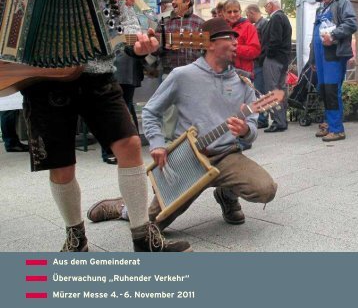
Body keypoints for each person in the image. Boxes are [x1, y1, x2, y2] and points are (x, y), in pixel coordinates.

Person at [21, 0, 191, 253]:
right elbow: (26, 4)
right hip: (43, 76)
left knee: (129, 144)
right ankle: (75, 236)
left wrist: (139, 45)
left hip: (98, 73)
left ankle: (143, 237)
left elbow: (128, 29)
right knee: (61, 163)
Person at [87, 18, 277, 230]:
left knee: (265, 189)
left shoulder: (243, 81)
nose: (236, 43)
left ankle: (227, 194)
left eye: (236, 38)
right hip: (189, 158)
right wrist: (158, 144)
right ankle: (124, 207)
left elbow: (251, 125)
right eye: (230, 38)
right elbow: (150, 111)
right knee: (153, 224)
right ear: (210, 44)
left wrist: (245, 131)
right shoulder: (182, 75)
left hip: (227, 156)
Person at [309, 0, 357, 141]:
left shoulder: (343, 3)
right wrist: (312, 59)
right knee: (323, 90)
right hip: (320, 57)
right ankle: (329, 124)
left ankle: (337, 130)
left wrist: (333, 35)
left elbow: (351, 23)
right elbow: (315, 35)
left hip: (334, 54)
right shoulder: (320, 8)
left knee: (331, 90)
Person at [156, 0, 204, 140]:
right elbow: (154, 50)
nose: (172, 2)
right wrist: (162, 46)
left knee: (193, 110)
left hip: (194, 75)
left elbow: (207, 51)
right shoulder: (164, 22)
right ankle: (170, 147)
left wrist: (191, 44)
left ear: (187, 1)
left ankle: (193, 145)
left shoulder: (200, 23)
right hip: (169, 73)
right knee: (169, 112)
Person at [261, 0, 292, 133]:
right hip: (282, 59)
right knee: (281, 89)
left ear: (271, 5)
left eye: (266, 5)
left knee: (272, 90)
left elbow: (275, 40)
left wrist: (267, 54)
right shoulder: (283, 17)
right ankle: (282, 120)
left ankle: (278, 121)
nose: (265, 8)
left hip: (274, 59)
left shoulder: (276, 18)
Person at [245, 4, 269, 129]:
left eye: (247, 15)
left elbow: (264, 45)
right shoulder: (258, 25)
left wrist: (259, 58)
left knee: (260, 91)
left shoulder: (263, 24)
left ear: (252, 12)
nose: (247, 18)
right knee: (258, 91)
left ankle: (263, 119)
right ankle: (261, 118)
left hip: (260, 63)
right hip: (258, 62)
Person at [222, 0, 261, 76]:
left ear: (240, 11)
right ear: (224, 13)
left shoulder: (249, 27)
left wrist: (234, 48)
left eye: (235, 11)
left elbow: (255, 51)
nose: (232, 14)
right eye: (229, 12)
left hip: (243, 73)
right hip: (224, 71)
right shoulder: (221, 27)